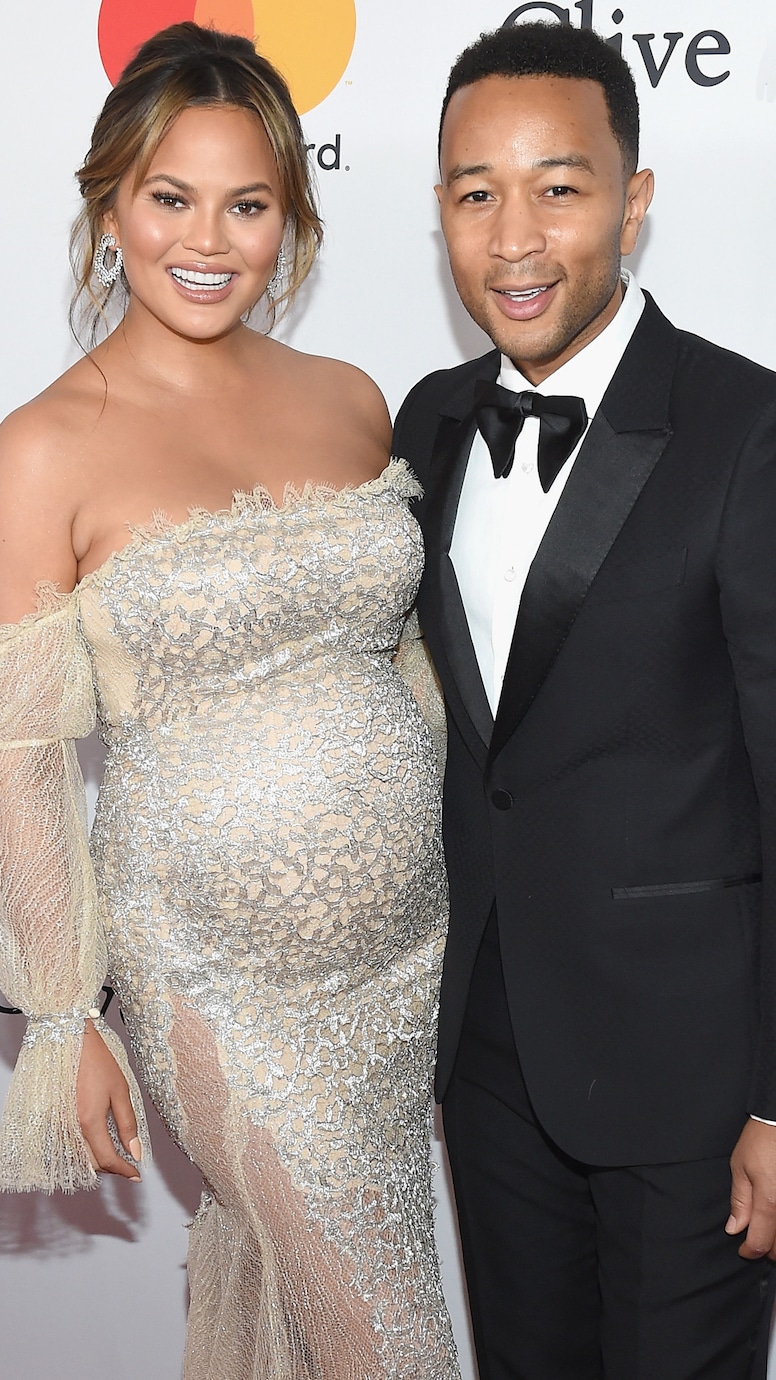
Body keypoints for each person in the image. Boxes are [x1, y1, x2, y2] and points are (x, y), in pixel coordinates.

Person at [0, 22, 458, 1380]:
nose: (208, 240)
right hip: (218, 985)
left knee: (312, 1316)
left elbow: (408, 671)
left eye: (247, 204)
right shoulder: (41, 452)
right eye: (170, 197)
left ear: (291, 220)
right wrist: (64, 1018)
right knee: (393, 1346)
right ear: (109, 208)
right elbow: (21, 762)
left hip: (410, 960)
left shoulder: (352, 401)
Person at [393, 20, 776, 1380]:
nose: (515, 240)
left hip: (696, 1080)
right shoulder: (427, 424)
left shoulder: (747, 429)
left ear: (634, 199)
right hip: (493, 1056)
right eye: (475, 193)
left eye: (559, 188)